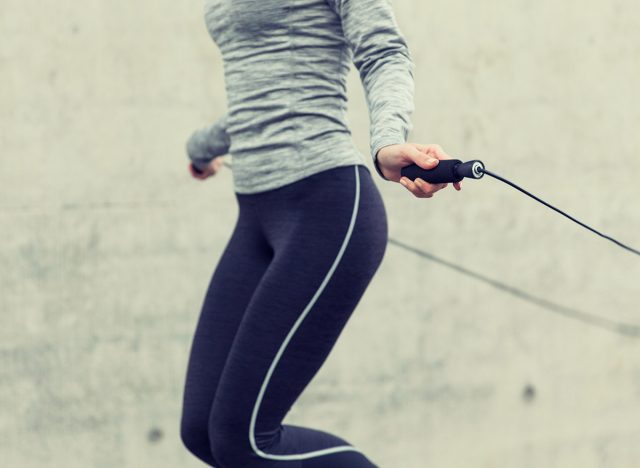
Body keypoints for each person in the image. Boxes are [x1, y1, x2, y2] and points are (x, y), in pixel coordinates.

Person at [179, 0, 462, 467]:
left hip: (324, 207)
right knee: (202, 432)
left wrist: (389, 139)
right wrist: (202, 147)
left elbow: (382, 49)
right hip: (256, 213)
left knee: (246, 440)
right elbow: (263, 89)